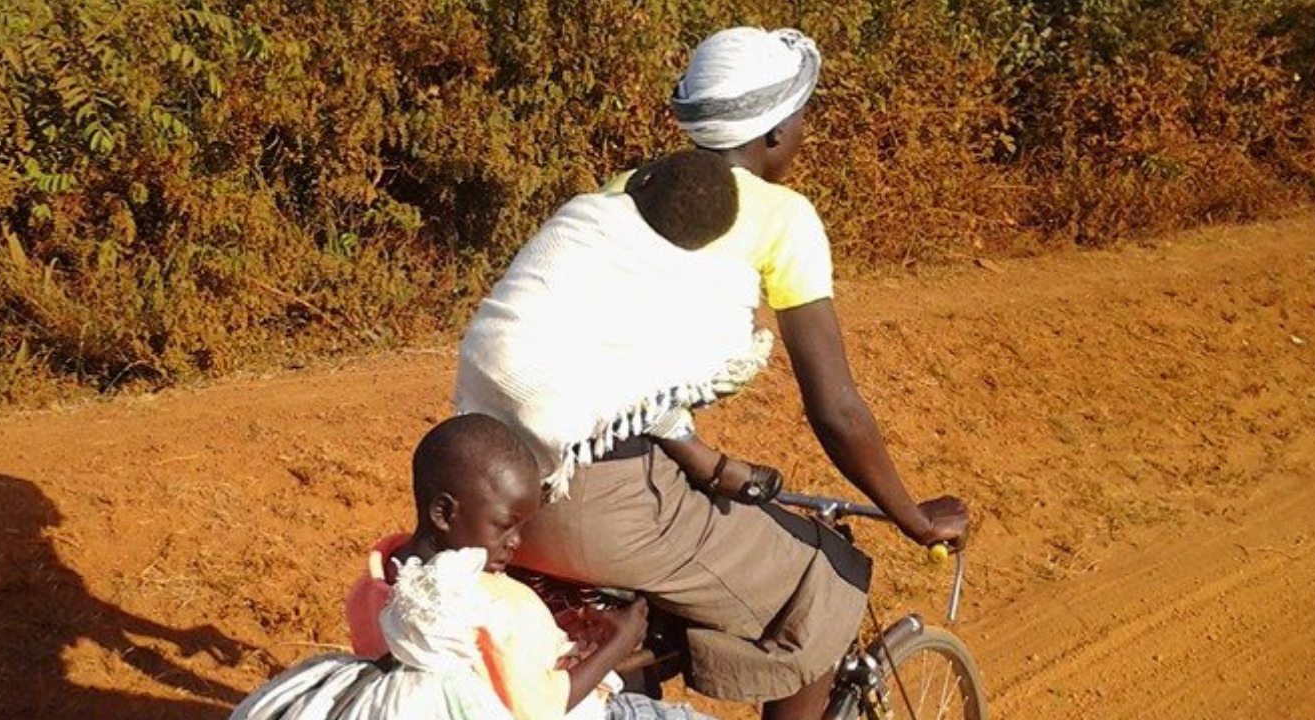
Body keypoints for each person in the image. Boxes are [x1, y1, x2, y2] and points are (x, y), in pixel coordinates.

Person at [453, 28, 970, 720]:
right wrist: (913, 518)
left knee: (696, 559)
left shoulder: (629, 192)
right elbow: (836, 408)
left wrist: (702, 457)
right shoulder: (784, 219)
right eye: (805, 117)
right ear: (778, 132)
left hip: (502, 487)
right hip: (610, 504)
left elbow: (612, 369)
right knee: (824, 573)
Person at [231, 414, 712, 720]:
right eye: (505, 525)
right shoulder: (482, 601)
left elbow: (482, 662)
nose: (516, 542)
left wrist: (551, 630)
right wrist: (619, 644)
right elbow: (540, 707)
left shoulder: (375, 586)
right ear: (444, 513)